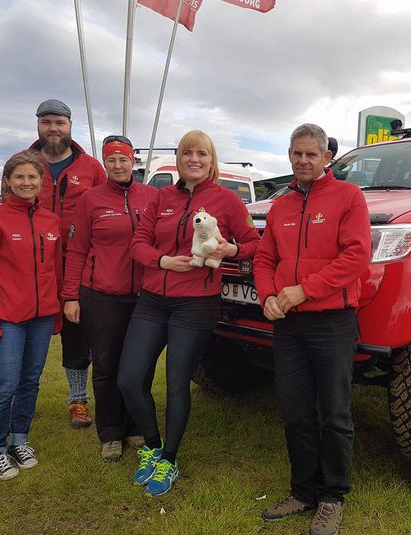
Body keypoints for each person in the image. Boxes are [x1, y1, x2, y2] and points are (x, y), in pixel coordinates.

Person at [118, 130, 261, 497]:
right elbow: (137, 245)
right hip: (152, 298)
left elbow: (253, 244)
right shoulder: (162, 196)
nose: (194, 159)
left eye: (202, 153)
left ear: (212, 161)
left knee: (177, 381)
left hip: (195, 304)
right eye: (187, 153)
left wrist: (230, 249)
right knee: (130, 379)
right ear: (178, 159)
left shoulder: (227, 200)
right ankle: (151, 444)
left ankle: (169, 457)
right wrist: (163, 260)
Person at [253, 124, 371, 535]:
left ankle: (332, 497)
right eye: (297, 154)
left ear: (326, 157)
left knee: (335, 413)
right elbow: (264, 258)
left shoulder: (348, 197)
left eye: (311, 154)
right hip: (288, 323)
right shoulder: (281, 205)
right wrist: (268, 295)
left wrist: (304, 290)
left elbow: (357, 256)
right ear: (289, 155)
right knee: (296, 409)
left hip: (331, 321)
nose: (303, 160)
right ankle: (303, 491)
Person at [63, 135, 158, 462]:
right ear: (105, 163)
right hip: (101, 294)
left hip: (145, 296)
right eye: (111, 160)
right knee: (105, 364)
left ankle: (135, 425)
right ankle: (111, 431)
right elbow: (76, 250)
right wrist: (70, 296)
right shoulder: (91, 199)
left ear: (134, 161)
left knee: (140, 364)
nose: (118, 165)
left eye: (124, 159)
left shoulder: (152, 196)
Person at [0, 151, 64, 480]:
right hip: (8, 317)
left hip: (42, 317)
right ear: (8, 182)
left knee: (30, 382)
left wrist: (55, 312)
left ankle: (19, 439)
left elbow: (55, 268)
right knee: (6, 384)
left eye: (32, 177)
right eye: (20, 177)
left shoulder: (51, 221)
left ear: (41, 182)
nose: (27, 182)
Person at [28, 99, 107, 428]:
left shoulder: (90, 167)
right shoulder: (24, 162)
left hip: (78, 264)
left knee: (76, 333)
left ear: (70, 125)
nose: (53, 128)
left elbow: (106, 207)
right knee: (28, 331)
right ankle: (20, 398)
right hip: (34, 265)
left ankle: (78, 400)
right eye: (47, 122)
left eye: (59, 122)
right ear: (38, 125)